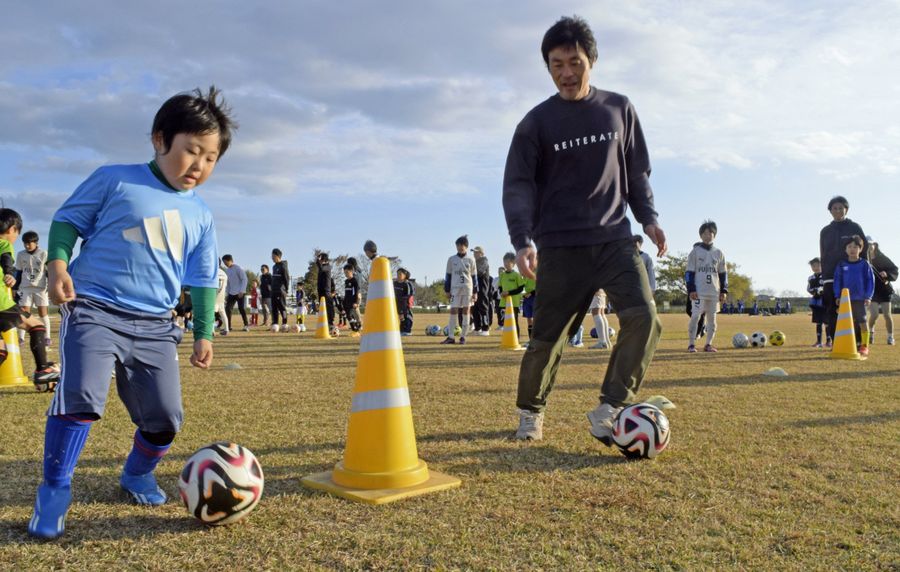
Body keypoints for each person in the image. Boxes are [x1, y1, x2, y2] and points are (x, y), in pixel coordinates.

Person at [27, 87, 235, 540]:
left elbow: (201, 279)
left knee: (165, 418)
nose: (199, 166)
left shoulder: (201, 215)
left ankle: (137, 474)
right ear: (161, 140)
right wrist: (58, 263)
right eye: (191, 151)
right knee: (81, 397)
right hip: (95, 310)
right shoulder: (115, 179)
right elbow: (67, 221)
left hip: (157, 325)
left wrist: (204, 333)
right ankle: (55, 492)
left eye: (211, 157)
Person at [502, 16, 666, 442]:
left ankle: (610, 407)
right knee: (546, 339)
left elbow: (636, 173)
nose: (566, 73)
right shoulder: (535, 123)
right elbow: (517, 185)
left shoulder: (619, 108)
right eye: (556, 65)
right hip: (559, 245)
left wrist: (649, 218)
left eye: (574, 62)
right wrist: (522, 239)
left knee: (644, 318)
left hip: (614, 238)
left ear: (591, 60)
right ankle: (530, 414)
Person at [0, 211, 60, 389]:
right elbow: (6, 260)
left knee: (2, 350)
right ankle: (43, 370)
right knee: (36, 326)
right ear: (12, 229)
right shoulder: (3, 243)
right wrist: (10, 273)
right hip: (1, 305)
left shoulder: (41, 253)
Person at [820, 196, 867, 348]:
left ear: (846, 209)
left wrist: (865, 272)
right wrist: (824, 274)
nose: (838, 210)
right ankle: (836, 342)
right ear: (830, 211)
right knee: (832, 310)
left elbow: (863, 250)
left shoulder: (855, 227)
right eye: (834, 208)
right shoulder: (825, 231)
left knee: (855, 311)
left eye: (841, 208)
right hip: (830, 277)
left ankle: (859, 342)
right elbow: (823, 254)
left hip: (852, 275)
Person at [685, 221, 727, 353]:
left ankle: (708, 344)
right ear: (700, 235)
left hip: (714, 292)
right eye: (704, 233)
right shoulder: (695, 252)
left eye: (710, 233)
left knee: (712, 320)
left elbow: (723, 273)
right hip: (699, 291)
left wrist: (724, 290)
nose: (707, 235)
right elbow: (689, 273)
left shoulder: (719, 253)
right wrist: (691, 288)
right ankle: (691, 344)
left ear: (714, 235)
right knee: (695, 316)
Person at [833, 235, 874, 356]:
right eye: (849, 246)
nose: (852, 249)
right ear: (845, 249)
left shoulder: (864, 264)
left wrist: (868, 296)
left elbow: (870, 281)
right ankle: (847, 344)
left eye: (855, 247)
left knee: (862, 321)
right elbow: (837, 281)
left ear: (860, 249)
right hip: (845, 300)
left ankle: (864, 346)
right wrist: (838, 296)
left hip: (860, 299)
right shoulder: (841, 265)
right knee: (846, 322)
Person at [14, 230, 52, 346]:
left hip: (40, 288)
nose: (27, 245)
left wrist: (50, 285)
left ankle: (47, 337)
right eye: (25, 243)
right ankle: (21, 338)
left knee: (43, 313)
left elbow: (48, 271)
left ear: (36, 242)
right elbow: (19, 272)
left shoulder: (43, 253)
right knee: (24, 312)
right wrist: (15, 288)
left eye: (29, 243)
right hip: (25, 287)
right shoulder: (21, 254)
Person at [441, 235, 477, 344]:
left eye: (463, 245)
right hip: (454, 289)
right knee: (453, 310)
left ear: (466, 247)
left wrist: (475, 292)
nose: (460, 247)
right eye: (458, 245)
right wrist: (447, 290)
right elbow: (448, 276)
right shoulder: (451, 259)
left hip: (467, 289)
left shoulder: (471, 259)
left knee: (466, 311)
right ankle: (451, 337)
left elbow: (474, 277)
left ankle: (463, 337)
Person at [866, 238, 897, 345]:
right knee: (874, 315)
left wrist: (887, 274)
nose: (869, 246)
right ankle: (870, 333)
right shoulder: (864, 259)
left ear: (875, 245)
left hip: (885, 290)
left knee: (887, 315)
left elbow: (894, 269)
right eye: (867, 244)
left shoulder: (882, 258)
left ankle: (890, 337)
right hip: (872, 291)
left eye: (871, 244)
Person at [497, 252, 526, 336]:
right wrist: (501, 292)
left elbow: (520, 288)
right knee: (506, 321)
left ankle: (516, 338)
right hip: (503, 303)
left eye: (508, 262)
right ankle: (508, 338)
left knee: (514, 320)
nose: (506, 264)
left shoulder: (516, 275)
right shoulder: (502, 275)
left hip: (514, 303)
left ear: (513, 263)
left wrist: (509, 293)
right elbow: (500, 287)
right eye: (504, 262)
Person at [221, 254, 249, 332]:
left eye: (225, 262)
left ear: (230, 260)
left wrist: (242, 291)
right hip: (231, 293)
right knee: (227, 309)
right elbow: (228, 283)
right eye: (224, 262)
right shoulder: (227, 271)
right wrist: (227, 294)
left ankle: (246, 325)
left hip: (240, 292)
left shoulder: (238, 268)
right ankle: (228, 326)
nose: (225, 264)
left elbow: (244, 279)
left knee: (241, 309)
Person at [471, 246, 493, 336]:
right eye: (474, 252)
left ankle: (485, 328)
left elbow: (479, 272)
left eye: (476, 252)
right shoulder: (474, 262)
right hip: (475, 289)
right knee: (474, 308)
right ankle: (478, 328)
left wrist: (469, 271)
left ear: (481, 253)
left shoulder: (484, 260)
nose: (474, 254)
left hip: (482, 288)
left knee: (483, 307)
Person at [807, 258, 826, 347]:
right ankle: (819, 341)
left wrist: (823, 290)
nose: (816, 267)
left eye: (818, 265)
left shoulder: (826, 276)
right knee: (818, 322)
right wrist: (815, 291)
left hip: (826, 301)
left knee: (827, 322)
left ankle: (829, 340)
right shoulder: (811, 278)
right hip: (816, 302)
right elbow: (809, 289)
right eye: (813, 266)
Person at [270, 248, 290, 327]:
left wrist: (286, 290)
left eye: (272, 256)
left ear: (277, 256)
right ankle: (275, 323)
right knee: (274, 308)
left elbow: (286, 278)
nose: (272, 258)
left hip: (280, 291)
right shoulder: (274, 267)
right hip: (273, 291)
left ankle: (285, 323)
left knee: (282, 308)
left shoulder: (283, 266)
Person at [315, 252, 335, 330]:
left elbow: (321, 268)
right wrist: (318, 260)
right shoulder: (321, 267)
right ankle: (324, 323)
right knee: (322, 308)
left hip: (326, 290)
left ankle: (331, 322)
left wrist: (318, 260)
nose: (320, 261)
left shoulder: (328, 266)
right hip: (320, 290)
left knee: (329, 307)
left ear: (324, 260)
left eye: (321, 259)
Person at [394, 267, 414, 336]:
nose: (398, 275)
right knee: (399, 318)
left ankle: (407, 330)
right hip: (396, 303)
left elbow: (409, 295)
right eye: (397, 274)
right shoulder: (394, 283)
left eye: (400, 274)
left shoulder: (407, 284)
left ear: (405, 275)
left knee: (406, 317)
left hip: (405, 304)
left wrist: (404, 302)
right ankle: (400, 330)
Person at [343, 263, 362, 335]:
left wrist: (356, 302)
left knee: (351, 315)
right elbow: (346, 292)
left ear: (351, 271)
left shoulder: (354, 281)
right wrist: (344, 301)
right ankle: (355, 329)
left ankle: (356, 330)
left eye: (347, 272)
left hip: (352, 302)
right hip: (346, 302)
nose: (346, 274)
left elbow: (356, 292)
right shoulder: (346, 281)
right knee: (348, 316)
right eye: (344, 273)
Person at [214, 264, 229, 335]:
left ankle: (211, 331)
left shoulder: (212, 271)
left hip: (214, 296)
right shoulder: (224, 273)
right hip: (222, 296)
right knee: (223, 313)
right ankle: (226, 329)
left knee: (211, 314)